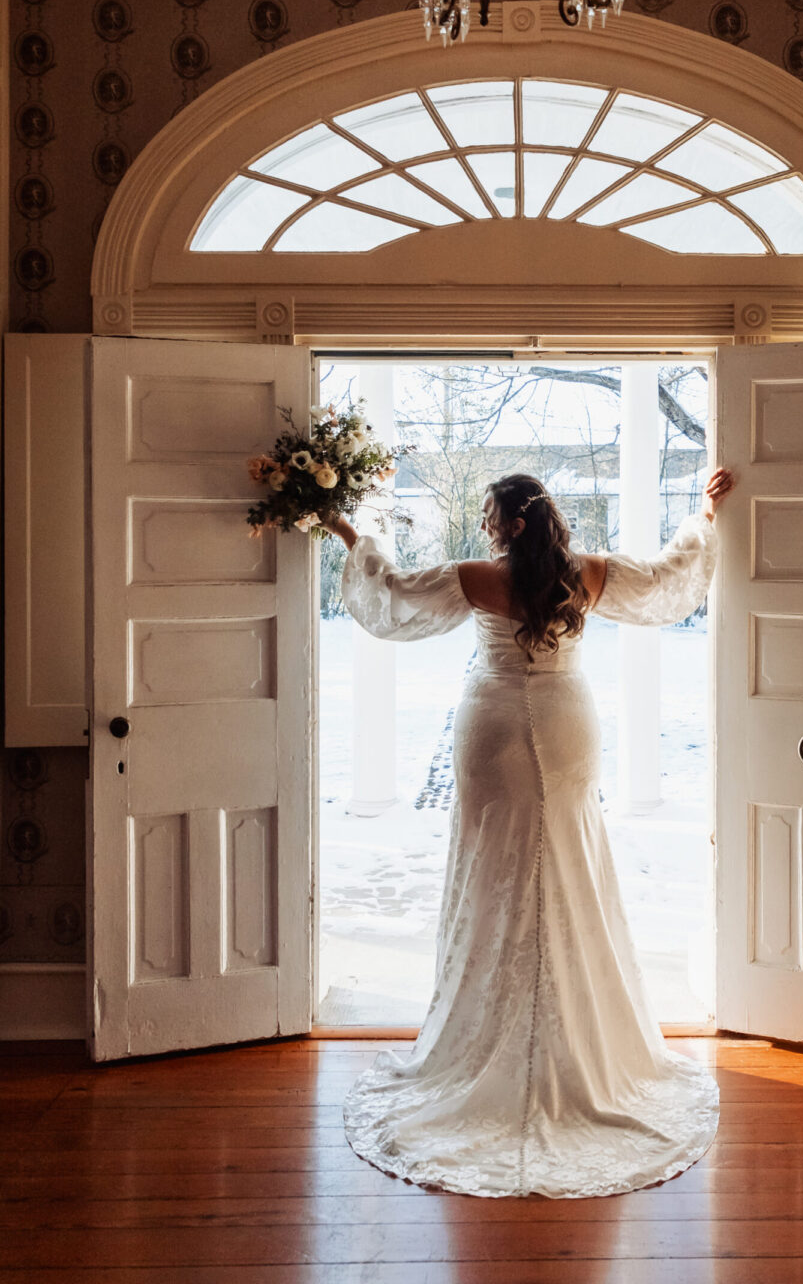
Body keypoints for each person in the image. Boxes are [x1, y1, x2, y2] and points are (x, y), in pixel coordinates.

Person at [321, 466, 734, 1198]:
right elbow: (670, 580)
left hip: (493, 723)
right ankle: (582, 1050)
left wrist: (349, 530)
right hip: (568, 722)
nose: (482, 526)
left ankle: (487, 1046)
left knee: (494, 868)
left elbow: (391, 595)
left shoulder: (474, 577)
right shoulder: (592, 574)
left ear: (510, 522)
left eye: (488, 514)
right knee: (568, 858)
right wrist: (703, 515)